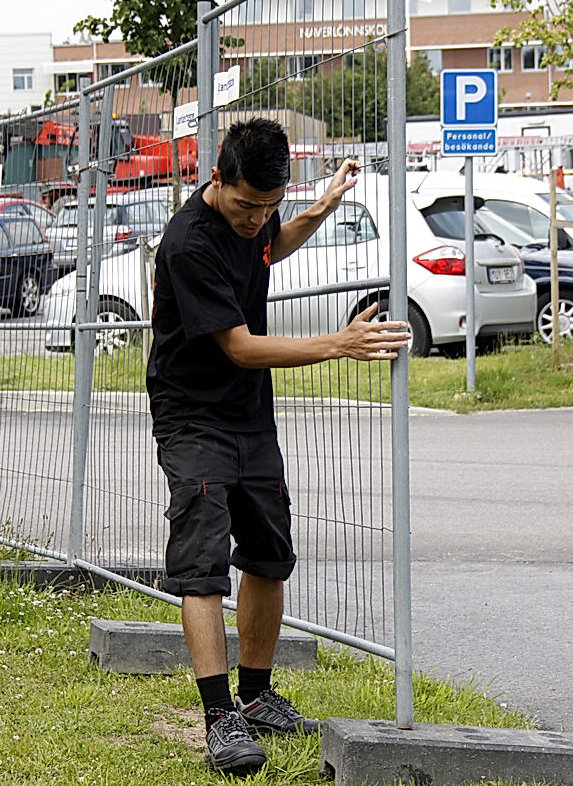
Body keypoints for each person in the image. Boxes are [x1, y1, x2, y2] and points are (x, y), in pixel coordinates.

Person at [146, 118, 411, 776]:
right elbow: (239, 347)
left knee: (268, 555)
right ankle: (218, 719)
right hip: (193, 416)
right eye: (245, 205)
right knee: (203, 560)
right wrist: (338, 344)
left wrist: (320, 206)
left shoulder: (258, 215)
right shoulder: (190, 243)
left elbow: (271, 244)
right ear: (217, 178)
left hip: (248, 415)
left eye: (270, 204)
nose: (256, 218)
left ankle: (257, 694)